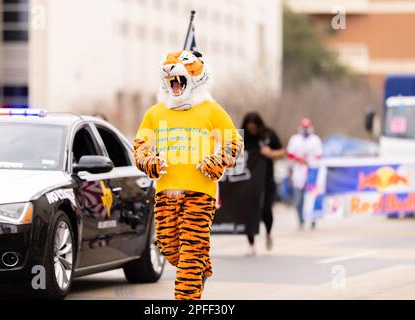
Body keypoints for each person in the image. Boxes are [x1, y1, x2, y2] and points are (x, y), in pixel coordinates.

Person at [133, 50, 243, 300]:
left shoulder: (211, 110)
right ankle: (200, 269)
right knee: (168, 247)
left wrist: (218, 160)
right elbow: (139, 147)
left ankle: (187, 297)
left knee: (190, 254)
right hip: (166, 192)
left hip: (200, 192)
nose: (175, 81)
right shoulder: (154, 113)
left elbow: (234, 141)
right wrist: (149, 161)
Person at [242, 112, 285, 256]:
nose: (252, 131)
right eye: (250, 128)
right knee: (249, 211)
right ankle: (251, 243)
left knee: (267, 209)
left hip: (267, 178)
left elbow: (282, 152)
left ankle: (268, 232)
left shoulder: (269, 134)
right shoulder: (242, 137)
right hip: (248, 181)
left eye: (254, 128)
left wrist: (270, 153)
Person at [287, 118, 323, 230]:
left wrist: (310, 162)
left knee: (311, 197)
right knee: (298, 200)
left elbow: (319, 156)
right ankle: (301, 220)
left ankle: (312, 219)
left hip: (311, 173)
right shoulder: (294, 139)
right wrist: (300, 160)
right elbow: (289, 154)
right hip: (298, 173)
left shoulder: (315, 140)